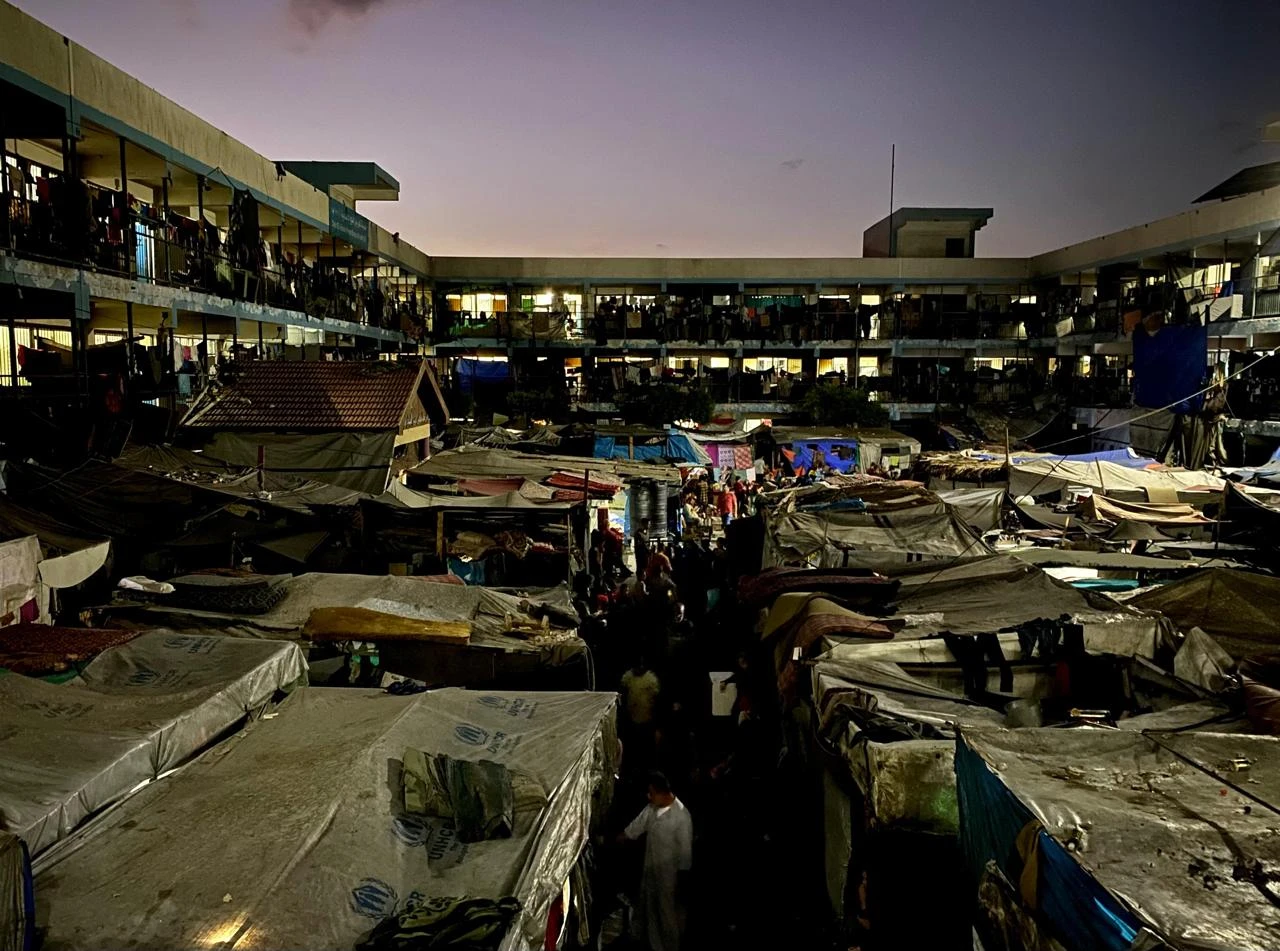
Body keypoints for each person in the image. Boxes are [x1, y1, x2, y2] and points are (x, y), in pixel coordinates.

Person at [621, 772, 693, 951]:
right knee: (650, 912)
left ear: (662, 793)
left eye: (651, 793)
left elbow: (685, 853)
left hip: (670, 878)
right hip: (651, 871)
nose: (648, 796)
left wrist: (682, 880)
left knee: (667, 916)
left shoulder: (681, 818)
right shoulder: (652, 809)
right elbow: (634, 829)